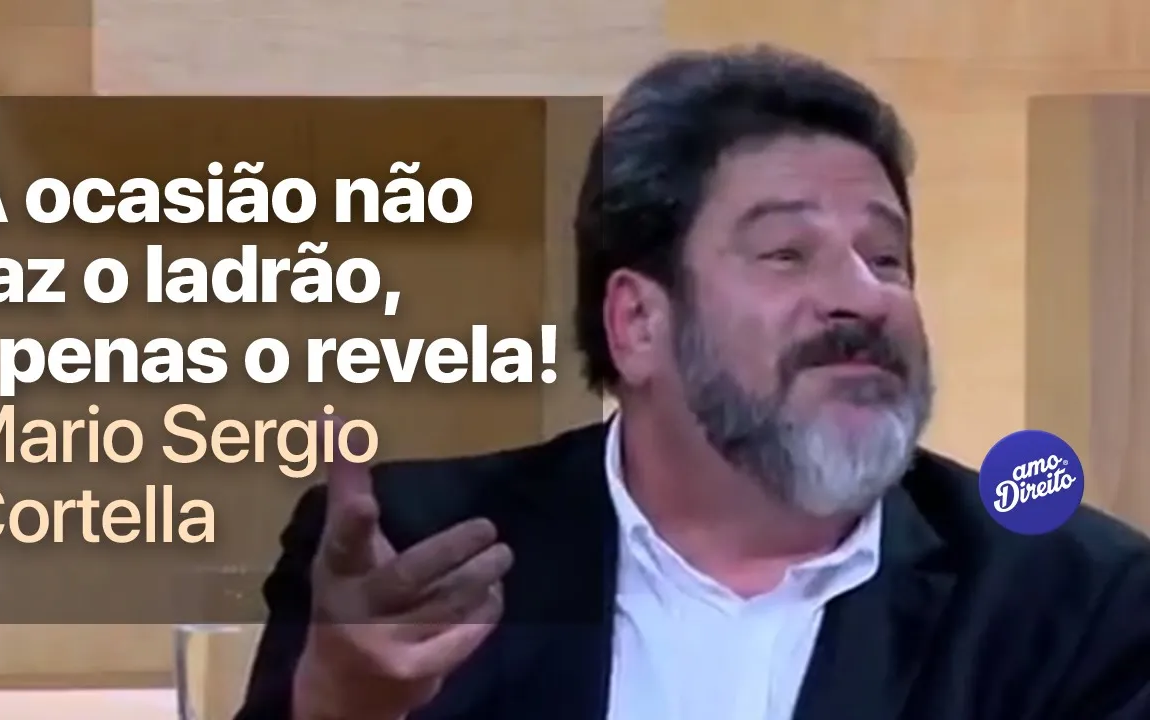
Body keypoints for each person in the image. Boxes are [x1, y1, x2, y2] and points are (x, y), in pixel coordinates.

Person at [235, 45, 1150, 720]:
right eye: (787, 253)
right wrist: (338, 708)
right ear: (638, 322)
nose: (865, 297)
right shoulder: (415, 555)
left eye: (886, 257)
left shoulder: (1070, 599)